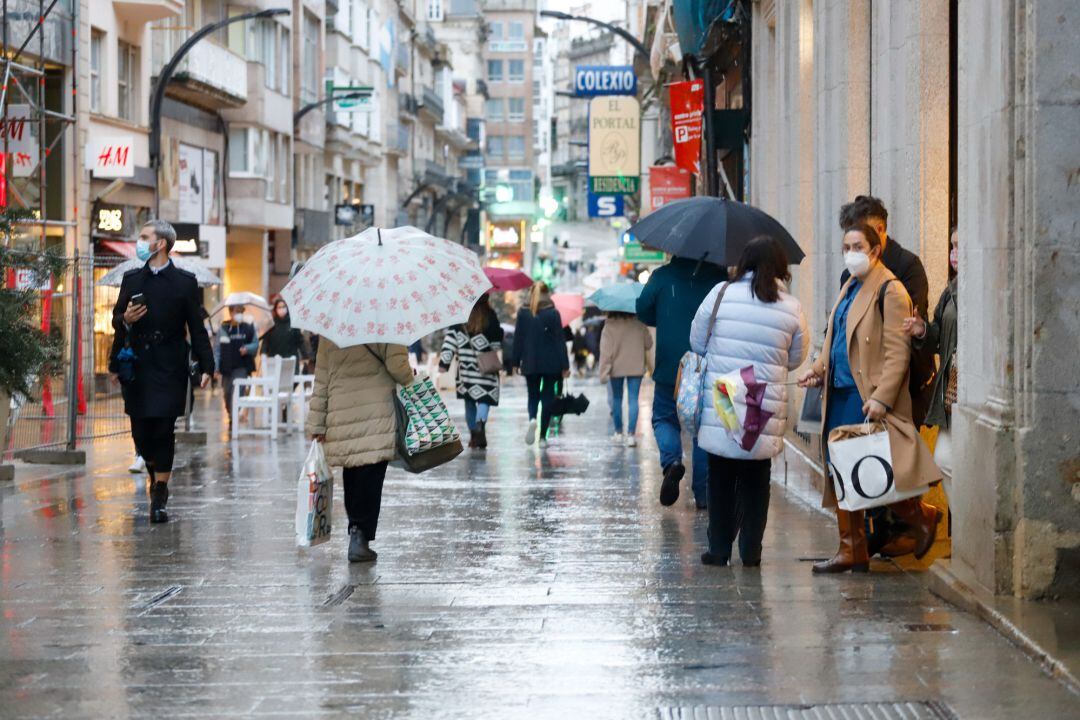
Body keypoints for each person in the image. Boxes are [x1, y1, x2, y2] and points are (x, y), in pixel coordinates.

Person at [798, 223, 943, 574]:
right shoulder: (849, 285)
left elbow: (898, 351)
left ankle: (921, 516)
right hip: (838, 392)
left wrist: (882, 397)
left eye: (857, 246)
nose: (850, 253)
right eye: (846, 246)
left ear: (875, 250)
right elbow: (836, 337)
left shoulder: (891, 289)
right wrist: (817, 368)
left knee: (873, 473)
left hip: (866, 397)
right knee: (840, 472)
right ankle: (851, 549)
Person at [690, 237, 809, 567]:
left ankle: (718, 549)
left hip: (725, 398)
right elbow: (795, 357)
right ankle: (751, 552)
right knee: (757, 477)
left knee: (721, 473)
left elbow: (697, 340)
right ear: (780, 267)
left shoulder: (721, 294)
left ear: (743, 262)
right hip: (761, 400)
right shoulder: (791, 307)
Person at [109, 220, 214, 523]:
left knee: (163, 429)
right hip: (138, 367)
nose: (139, 242)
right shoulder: (131, 279)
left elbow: (196, 327)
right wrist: (123, 322)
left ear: (161, 244)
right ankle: (154, 476)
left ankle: (160, 492)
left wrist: (208, 365)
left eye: (144, 237)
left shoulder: (184, 282)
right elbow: (118, 322)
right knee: (141, 433)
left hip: (169, 364)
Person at [308, 340, 414, 563]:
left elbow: (322, 376)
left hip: (341, 411)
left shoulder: (332, 329)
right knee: (371, 473)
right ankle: (361, 535)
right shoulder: (386, 322)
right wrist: (409, 375)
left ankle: (356, 530)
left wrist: (317, 423)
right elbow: (397, 366)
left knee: (353, 470)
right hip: (376, 411)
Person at [637, 256, 728, 508]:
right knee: (702, 429)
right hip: (705, 365)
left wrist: (665, 314)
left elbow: (643, 310)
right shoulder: (719, 279)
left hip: (670, 366)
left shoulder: (662, 276)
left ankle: (672, 461)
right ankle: (703, 494)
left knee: (664, 418)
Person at [904, 227, 959, 493]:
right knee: (944, 461)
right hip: (953, 394)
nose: (954, 253)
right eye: (952, 246)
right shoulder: (951, 290)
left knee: (947, 461)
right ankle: (965, 529)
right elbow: (938, 332)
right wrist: (922, 329)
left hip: (974, 392)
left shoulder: (984, 288)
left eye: (960, 246)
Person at [439, 295, 504, 449]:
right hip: (486, 369)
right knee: (484, 399)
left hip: (466, 372)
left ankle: (474, 435)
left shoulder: (459, 320)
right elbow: (495, 345)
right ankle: (480, 424)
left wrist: (444, 364)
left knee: (469, 402)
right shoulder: (491, 317)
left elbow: (449, 343)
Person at [511, 282, 570, 449]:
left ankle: (532, 419)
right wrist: (565, 365)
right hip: (551, 364)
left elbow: (518, 339)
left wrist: (515, 362)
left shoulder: (523, 313)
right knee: (547, 398)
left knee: (533, 395)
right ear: (547, 294)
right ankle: (543, 437)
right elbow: (560, 340)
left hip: (530, 362)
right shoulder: (553, 313)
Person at [598, 311, 653, 447]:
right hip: (636, 367)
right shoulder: (639, 324)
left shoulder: (609, 326)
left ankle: (618, 433)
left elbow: (605, 351)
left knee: (617, 399)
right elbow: (649, 343)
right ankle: (631, 435)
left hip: (616, 369)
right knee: (633, 399)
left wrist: (603, 371)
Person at [214, 304, 258, 424]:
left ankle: (234, 417)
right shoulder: (223, 328)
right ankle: (230, 413)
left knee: (238, 392)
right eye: (236, 311)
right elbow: (217, 350)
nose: (239, 314)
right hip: (226, 367)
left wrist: (247, 348)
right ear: (231, 312)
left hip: (242, 367)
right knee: (227, 393)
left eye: (241, 312)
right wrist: (216, 367)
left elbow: (255, 344)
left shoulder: (248, 327)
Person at [260, 297, 309, 369]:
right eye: (279, 307)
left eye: (283, 307)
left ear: (287, 308)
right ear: (275, 309)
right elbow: (265, 341)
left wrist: (305, 356)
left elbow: (300, 341)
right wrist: (263, 353)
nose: (281, 309)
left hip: (291, 360)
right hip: (274, 360)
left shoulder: (293, 323)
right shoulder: (271, 324)